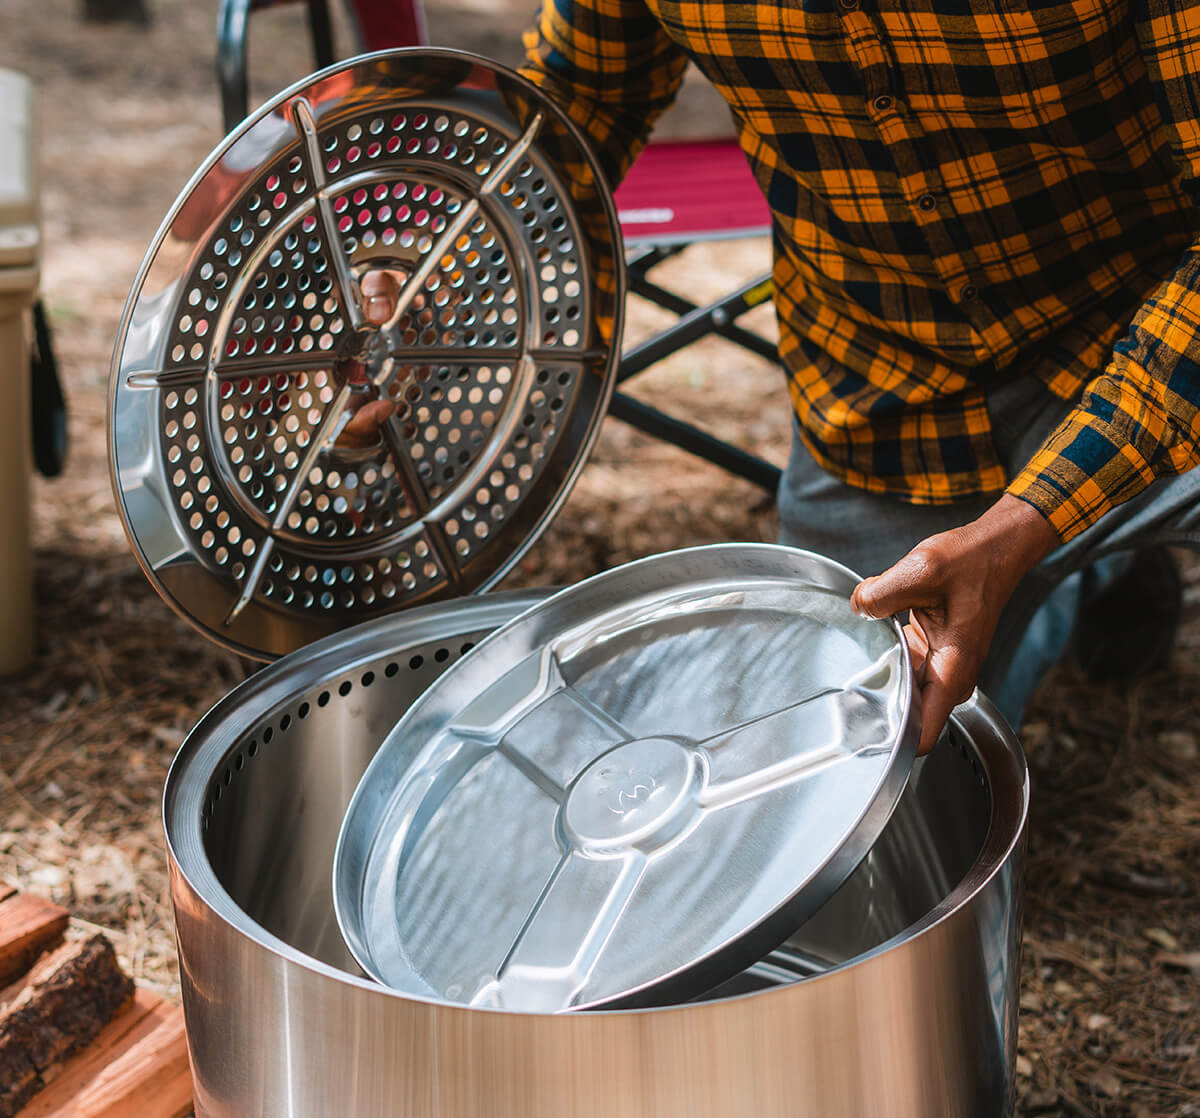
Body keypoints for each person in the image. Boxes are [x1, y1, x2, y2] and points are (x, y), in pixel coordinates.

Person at [361, 0, 1200, 752]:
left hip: (1153, 331)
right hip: (892, 388)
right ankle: (1078, 574)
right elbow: (587, 97)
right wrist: (438, 285)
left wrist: (1037, 515)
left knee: (1058, 527)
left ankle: (1073, 545)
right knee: (851, 799)